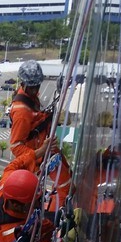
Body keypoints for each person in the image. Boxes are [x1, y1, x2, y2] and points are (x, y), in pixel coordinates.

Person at [9, 60, 72, 208]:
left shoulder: (29, 97)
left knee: (68, 182)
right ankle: (57, 217)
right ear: (24, 84)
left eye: (37, 85)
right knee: (67, 189)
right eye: (31, 87)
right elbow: (16, 147)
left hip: (46, 149)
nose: (35, 89)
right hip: (41, 155)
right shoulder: (22, 112)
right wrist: (39, 152)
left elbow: (35, 120)